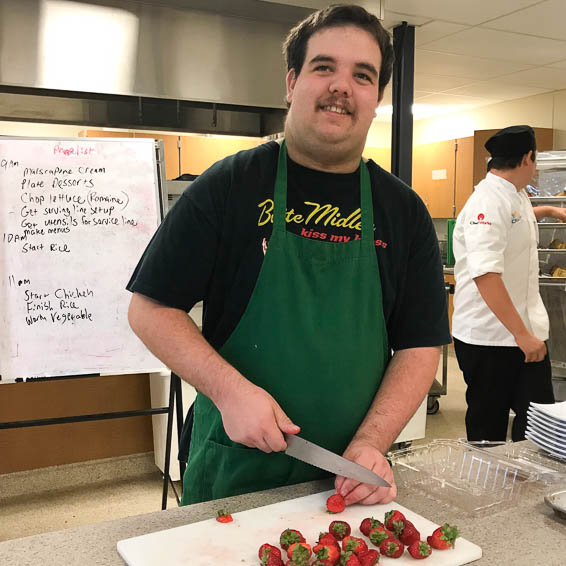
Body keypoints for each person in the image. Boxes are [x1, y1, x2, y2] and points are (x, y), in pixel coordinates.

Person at [127, 4, 450, 507]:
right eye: (324, 67)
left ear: (376, 98)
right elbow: (150, 309)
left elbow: (420, 345)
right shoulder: (230, 185)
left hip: (346, 480)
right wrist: (231, 392)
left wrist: (370, 443)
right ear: (292, 81)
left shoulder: (403, 211)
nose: (342, 86)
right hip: (233, 473)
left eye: (362, 75)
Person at [452, 125, 562, 442]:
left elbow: (520, 216)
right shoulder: (487, 202)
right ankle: (487, 489)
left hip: (521, 337)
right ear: (528, 157)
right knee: (489, 431)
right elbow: (486, 276)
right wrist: (521, 335)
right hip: (491, 340)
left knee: (539, 425)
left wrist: (552, 210)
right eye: (536, 160)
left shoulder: (512, 195)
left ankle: (526, 488)